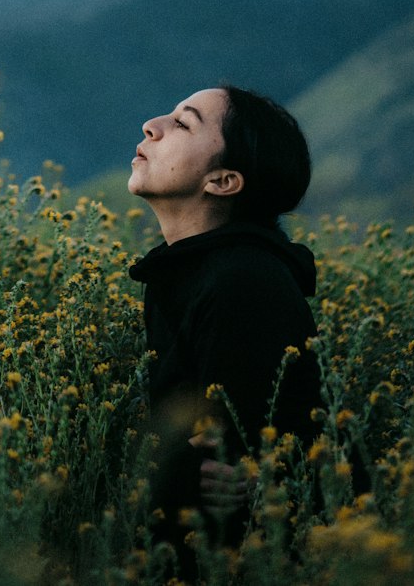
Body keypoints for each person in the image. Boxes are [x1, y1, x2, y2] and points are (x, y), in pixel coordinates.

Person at [127, 83, 320, 571]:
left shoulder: (242, 281)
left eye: (184, 123)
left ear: (223, 181)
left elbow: (224, 466)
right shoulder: (189, 271)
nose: (153, 126)